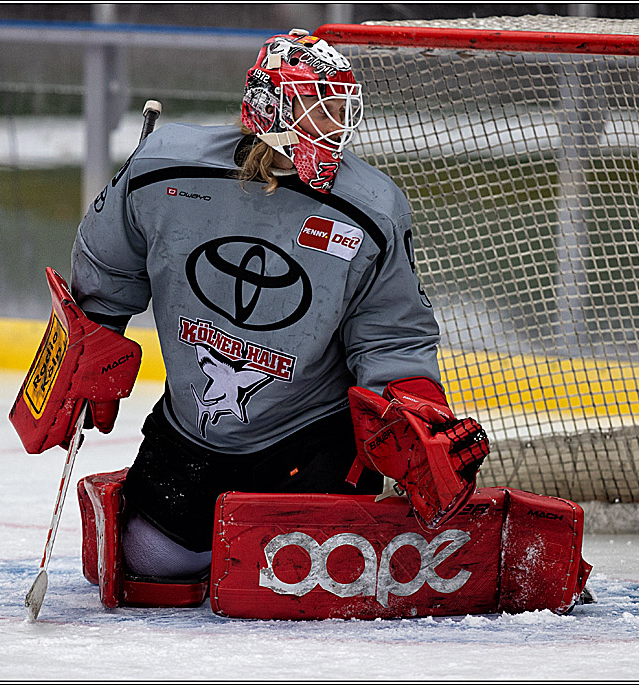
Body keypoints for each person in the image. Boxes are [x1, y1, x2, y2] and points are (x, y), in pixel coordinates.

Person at [69, 30, 486, 583]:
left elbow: (391, 333)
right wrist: (92, 344)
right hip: (195, 427)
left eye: (342, 108)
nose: (337, 123)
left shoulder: (371, 209)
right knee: (153, 565)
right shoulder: (163, 169)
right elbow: (107, 265)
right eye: (320, 106)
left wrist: (415, 409)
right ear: (270, 107)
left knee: (298, 575)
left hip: (308, 432)